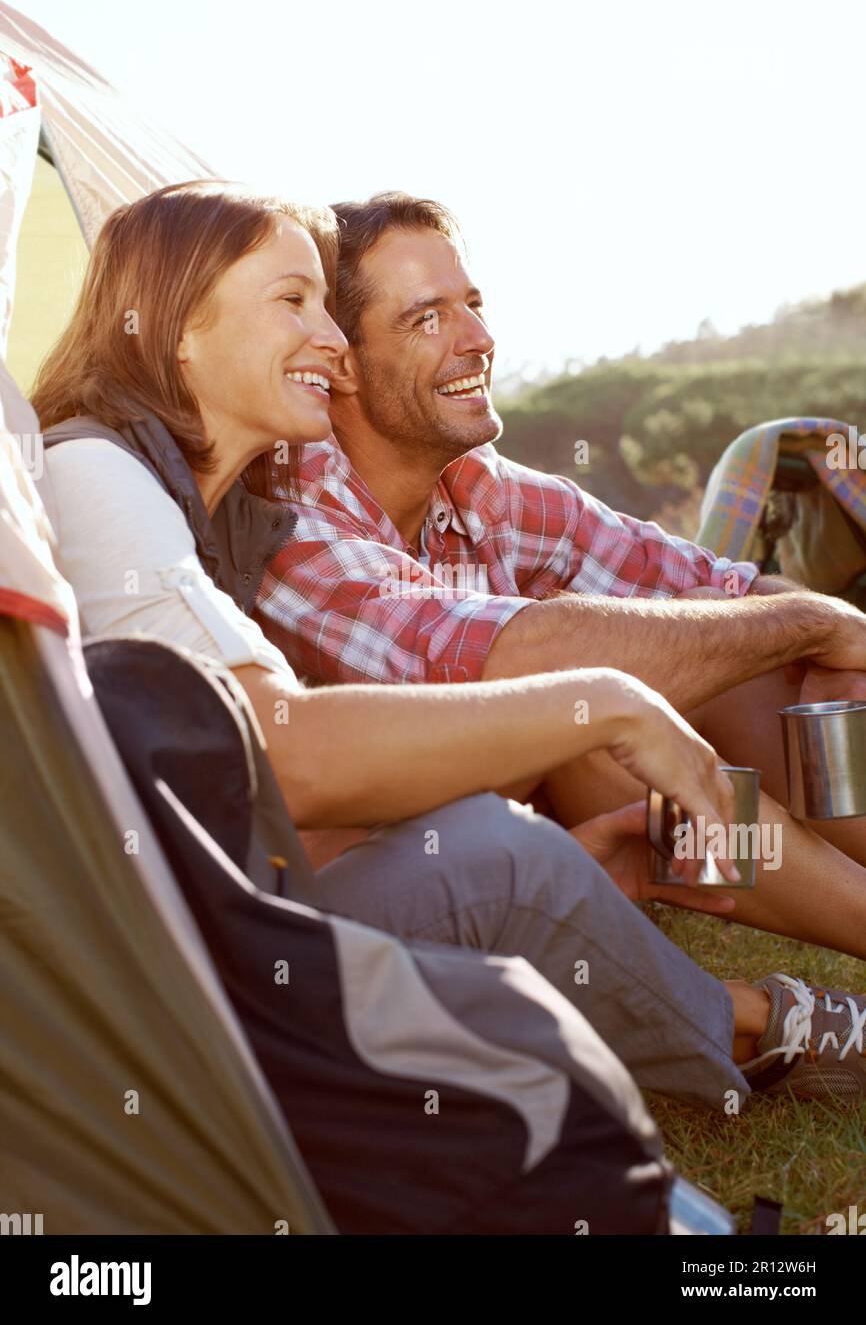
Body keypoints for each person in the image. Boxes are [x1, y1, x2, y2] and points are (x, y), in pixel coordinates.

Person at [33, 180, 866, 1107]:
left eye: (473, 306)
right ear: (180, 327)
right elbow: (287, 752)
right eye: (293, 303)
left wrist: (806, 619)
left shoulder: (222, 509)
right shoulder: (119, 482)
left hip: (231, 896)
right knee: (523, 809)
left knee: (739, 662)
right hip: (159, 972)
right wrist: (603, 715)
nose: (330, 344)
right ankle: (754, 1022)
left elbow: (250, 797)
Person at [255, 190, 866, 956]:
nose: (478, 338)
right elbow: (493, 666)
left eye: (473, 304)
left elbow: (706, 580)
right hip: (361, 894)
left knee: (730, 635)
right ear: (339, 364)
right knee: (582, 705)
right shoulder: (290, 514)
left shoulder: (482, 486)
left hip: (515, 829)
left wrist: (824, 637)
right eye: (427, 318)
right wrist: (810, 619)